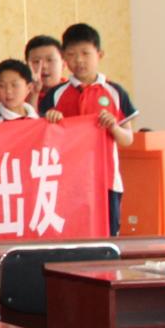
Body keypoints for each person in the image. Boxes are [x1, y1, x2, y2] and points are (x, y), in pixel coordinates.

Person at [42, 23, 137, 235]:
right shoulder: (55, 95)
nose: (79, 60)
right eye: (72, 54)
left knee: (107, 236)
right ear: (64, 58)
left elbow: (127, 139)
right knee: (70, 236)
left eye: (85, 53)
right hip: (66, 181)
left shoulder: (115, 92)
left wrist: (113, 127)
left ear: (99, 54)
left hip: (106, 180)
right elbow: (42, 140)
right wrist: (52, 122)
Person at [25, 34, 66, 99]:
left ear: (63, 64)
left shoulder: (75, 92)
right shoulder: (18, 98)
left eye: (50, 60)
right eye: (36, 61)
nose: (44, 66)